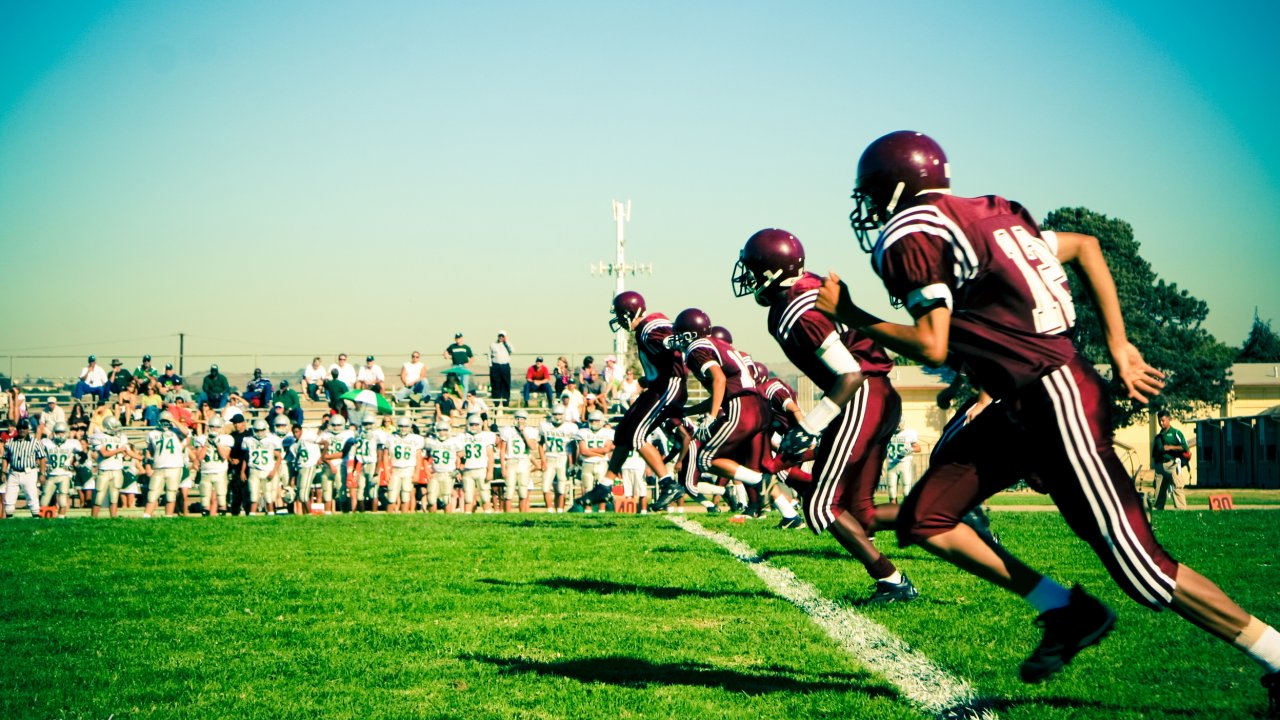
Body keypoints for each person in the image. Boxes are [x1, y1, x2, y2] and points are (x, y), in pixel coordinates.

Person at [818, 130, 1280, 702]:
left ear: (891, 189)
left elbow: (933, 345)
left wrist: (853, 314)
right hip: (1023, 402)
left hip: (1052, 395)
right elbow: (1085, 245)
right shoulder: (994, 214)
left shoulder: (911, 231)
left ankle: (1277, 654)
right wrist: (1119, 344)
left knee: (1143, 569)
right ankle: (1066, 611)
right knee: (925, 519)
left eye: (870, 193)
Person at [733, 228, 916, 603]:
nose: (747, 277)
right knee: (860, 512)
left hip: (860, 394)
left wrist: (810, 424)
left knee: (820, 505)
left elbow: (849, 374)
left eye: (752, 269)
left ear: (771, 271)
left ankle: (892, 581)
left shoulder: (798, 308)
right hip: (875, 394)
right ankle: (953, 519)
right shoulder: (799, 294)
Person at [602, 291, 688, 512]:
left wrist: (671, 342)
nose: (620, 321)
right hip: (657, 386)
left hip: (670, 386)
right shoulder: (644, 328)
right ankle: (605, 484)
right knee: (623, 431)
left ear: (631, 312)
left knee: (636, 435)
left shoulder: (650, 328)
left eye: (622, 316)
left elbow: (669, 339)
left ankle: (668, 483)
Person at [90, 416, 140, 518]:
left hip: (117, 470)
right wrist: (119, 450)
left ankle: (114, 517)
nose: (117, 429)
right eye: (114, 427)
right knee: (99, 496)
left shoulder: (121, 437)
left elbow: (129, 452)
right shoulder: (98, 436)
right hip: (104, 470)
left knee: (114, 496)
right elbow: (104, 453)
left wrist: (141, 458)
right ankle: (93, 518)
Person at [143, 411, 189, 518]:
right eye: (163, 421)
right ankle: (146, 516)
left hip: (174, 466)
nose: (165, 423)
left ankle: (168, 516)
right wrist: (148, 465)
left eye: (166, 421)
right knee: (152, 493)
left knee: (171, 493)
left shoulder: (176, 431)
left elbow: (186, 432)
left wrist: (172, 419)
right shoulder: (152, 433)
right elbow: (149, 451)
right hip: (158, 467)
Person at [3, 420, 45, 519]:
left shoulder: (35, 442)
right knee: (9, 497)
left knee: (32, 496)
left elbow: (42, 458)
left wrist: (42, 473)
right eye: (20, 428)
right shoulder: (10, 442)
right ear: (17, 429)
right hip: (13, 472)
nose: (22, 430)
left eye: (24, 428)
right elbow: (5, 458)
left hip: (29, 472)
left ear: (28, 429)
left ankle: (36, 520)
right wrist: (3, 472)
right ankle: (10, 521)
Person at [498, 410, 537, 513]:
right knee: (509, 490)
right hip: (511, 460)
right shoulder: (508, 430)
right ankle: (507, 514)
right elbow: (502, 450)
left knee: (523, 490)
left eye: (522, 419)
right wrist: (503, 467)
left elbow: (532, 446)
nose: (520, 421)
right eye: (518, 418)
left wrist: (523, 432)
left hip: (524, 460)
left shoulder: (530, 431)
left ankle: (522, 513)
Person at [539, 406, 577, 512]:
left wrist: (572, 463)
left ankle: (560, 510)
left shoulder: (571, 427)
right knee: (545, 486)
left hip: (563, 457)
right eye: (555, 414)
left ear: (564, 415)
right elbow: (540, 444)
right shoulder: (545, 426)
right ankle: (549, 510)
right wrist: (542, 460)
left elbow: (574, 446)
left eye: (560, 414)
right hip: (550, 456)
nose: (557, 416)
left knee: (561, 486)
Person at [194, 416, 233, 516]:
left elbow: (224, 456)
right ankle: (206, 519)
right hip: (206, 471)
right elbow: (199, 457)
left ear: (221, 427)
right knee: (205, 497)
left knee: (221, 496)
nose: (214, 429)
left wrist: (217, 444)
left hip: (220, 471)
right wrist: (206, 445)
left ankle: (222, 520)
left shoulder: (226, 439)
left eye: (217, 427)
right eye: (212, 427)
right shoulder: (202, 439)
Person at [1151, 410, 1190, 510]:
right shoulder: (1158, 437)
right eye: (1159, 421)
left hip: (1172, 464)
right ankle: (1158, 508)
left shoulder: (1176, 433)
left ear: (1169, 419)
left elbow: (1185, 447)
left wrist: (1171, 447)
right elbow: (1154, 453)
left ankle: (1181, 509)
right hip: (1160, 466)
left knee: (1177, 486)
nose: (1161, 423)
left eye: (1163, 420)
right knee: (1159, 488)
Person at [40, 422, 80, 518]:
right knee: (45, 499)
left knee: (62, 499)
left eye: (62, 432)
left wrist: (73, 463)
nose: (60, 435)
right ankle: (43, 518)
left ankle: (61, 518)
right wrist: (45, 466)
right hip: (51, 474)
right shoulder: (46, 442)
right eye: (58, 432)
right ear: (54, 433)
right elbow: (39, 456)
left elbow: (82, 455)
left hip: (64, 475)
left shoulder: (72, 443)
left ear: (66, 433)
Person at [422, 420, 463, 513]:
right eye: (440, 430)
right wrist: (427, 472)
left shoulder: (454, 441)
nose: (442, 432)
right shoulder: (430, 442)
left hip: (448, 473)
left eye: (444, 430)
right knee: (431, 497)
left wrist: (458, 470)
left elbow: (461, 456)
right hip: (435, 473)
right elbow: (425, 458)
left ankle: (447, 519)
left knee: (446, 498)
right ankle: (432, 518)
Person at [385, 417, 424, 513]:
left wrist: (416, 473)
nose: (403, 428)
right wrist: (386, 471)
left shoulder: (416, 438)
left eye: (405, 426)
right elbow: (385, 455)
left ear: (410, 427)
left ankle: (404, 517)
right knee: (391, 495)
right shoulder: (390, 437)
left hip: (409, 469)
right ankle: (388, 518)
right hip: (395, 469)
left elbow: (419, 458)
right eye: (401, 426)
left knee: (406, 495)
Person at [457, 414, 494, 513]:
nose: (474, 427)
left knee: (485, 494)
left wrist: (490, 471)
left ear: (480, 425)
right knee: (468, 495)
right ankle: (468, 514)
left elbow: (490, 456)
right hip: (467, 470)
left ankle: (487, 514)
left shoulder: (486, 436)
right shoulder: (462, 437)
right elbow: (458, 454)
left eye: (476, 424)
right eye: (472, 424)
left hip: (482, 469)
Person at [885, 422, 922, 505]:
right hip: (891, 464)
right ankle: (893, 513)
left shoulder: (909, 433)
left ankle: (906, 512)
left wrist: (910, 449)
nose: (897, 426)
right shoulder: (888, 433)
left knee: (906, 490)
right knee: (891, 490)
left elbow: (919, 448)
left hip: (904, 463)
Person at [488, 332, 513, 406]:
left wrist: (506, 342)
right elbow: (489, 355)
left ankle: (506, 402)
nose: (501, 337)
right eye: (500, 336)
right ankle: (496, 402)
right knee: (496, 385)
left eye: (502, 336)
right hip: (495, 366)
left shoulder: (507, 344)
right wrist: (490, 365)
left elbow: (512, 350)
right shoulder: (493, 344)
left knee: (506, 384)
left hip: (505, 366)